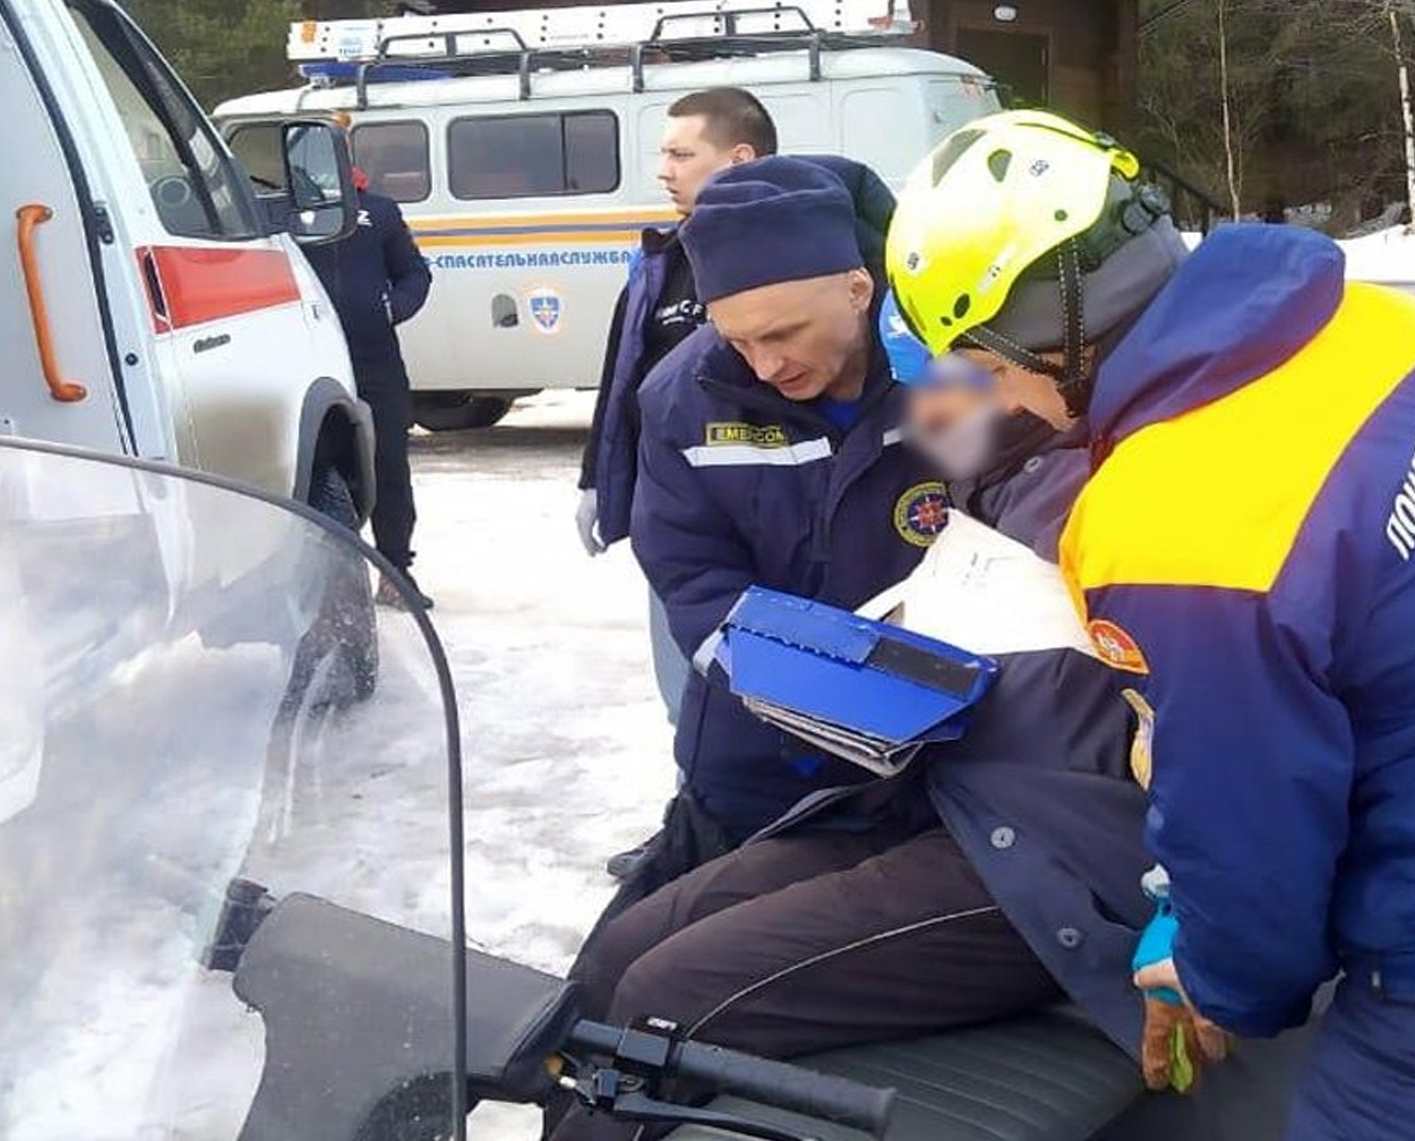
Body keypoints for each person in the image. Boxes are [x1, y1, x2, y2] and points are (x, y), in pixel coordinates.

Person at [884, 109, 1415, 1139]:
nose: (1011, 401)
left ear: (1047, 335)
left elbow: (1250, 825)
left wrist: (1216, 973)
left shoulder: (1173, 512)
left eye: (989, 368)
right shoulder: (1406, 331)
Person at [545, 298, 1311, 1141]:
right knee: (629, 941)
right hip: (939, 793)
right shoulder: (1001, 467)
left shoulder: (1133, 487)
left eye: (964, 377)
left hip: (1048, 853)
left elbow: (1236, 723)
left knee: (669, 994)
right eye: (918, 381)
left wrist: (1191, 901)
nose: (931, 407)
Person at [615, 155, 934, 896]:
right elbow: (694, 582)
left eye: (783, 334)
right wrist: (832, 701)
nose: (763, 366)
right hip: (758, 764)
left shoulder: (954, 374)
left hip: (947, 764)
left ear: (859, 290)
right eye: (738, 340)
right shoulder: (683, 396)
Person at [577, 88, 777, 720]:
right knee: (689, 694)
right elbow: (621, 379)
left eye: (681, 153)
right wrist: (595, 481)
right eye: (664, 154)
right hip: (676, 524)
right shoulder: (660, 262)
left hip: (771, 517)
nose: (664, 170)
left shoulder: (792, 258)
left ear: (739, 159)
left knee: (776, 695)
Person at [304, 168, 434, 608]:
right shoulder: (287, 214)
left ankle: (396, 572)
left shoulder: (379, 211)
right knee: (321, 470)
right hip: (311, 361)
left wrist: (392, 308)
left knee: (389, 467)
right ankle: (328, 582)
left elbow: (415, 274)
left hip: (375, 361)